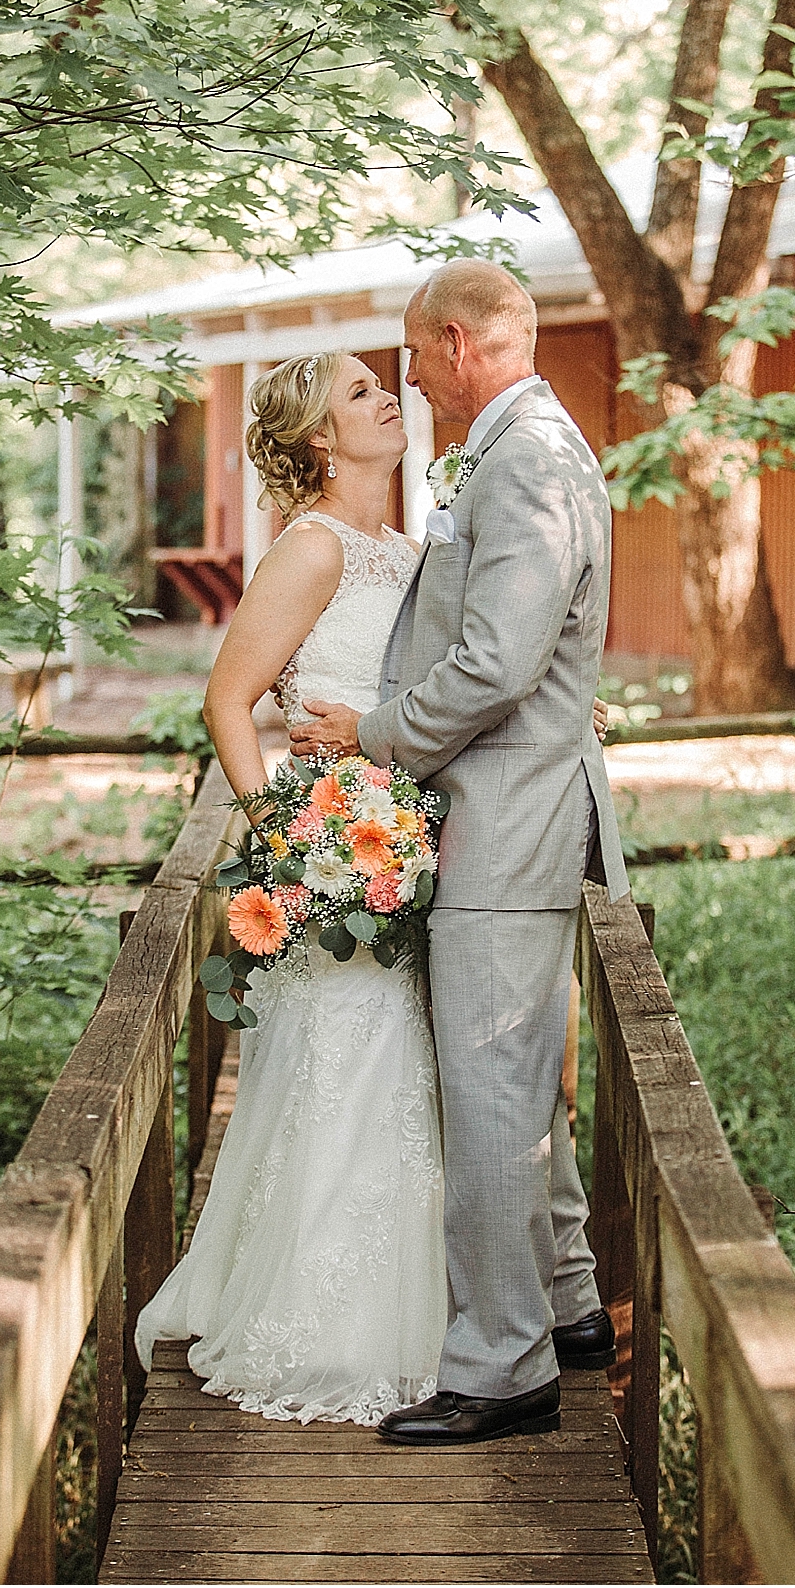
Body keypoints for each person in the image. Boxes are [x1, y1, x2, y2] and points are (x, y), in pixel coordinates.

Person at [290, 256, 629, 1446]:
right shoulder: (526, 444)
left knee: (491, 1097)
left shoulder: (528, 455)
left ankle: (501, 1366)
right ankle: (574, 1302)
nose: (409, 373)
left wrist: (373, 738)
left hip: (506, 820)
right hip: (513, 808)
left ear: (459, 340)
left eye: (415, 351)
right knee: (516, 1081)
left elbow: (495, 662)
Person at [131, 350, 449, 1424]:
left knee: (400, 1077)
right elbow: (231, 700)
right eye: (361, 392)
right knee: (345, 1066)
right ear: (320, 437)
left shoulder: (405, 548)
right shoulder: (312, 549)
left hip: (407, 846)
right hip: (334, 858)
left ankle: (414, 1311)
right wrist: (288, 839)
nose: (387, 399)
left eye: (382, 385)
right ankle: (322, 1323)